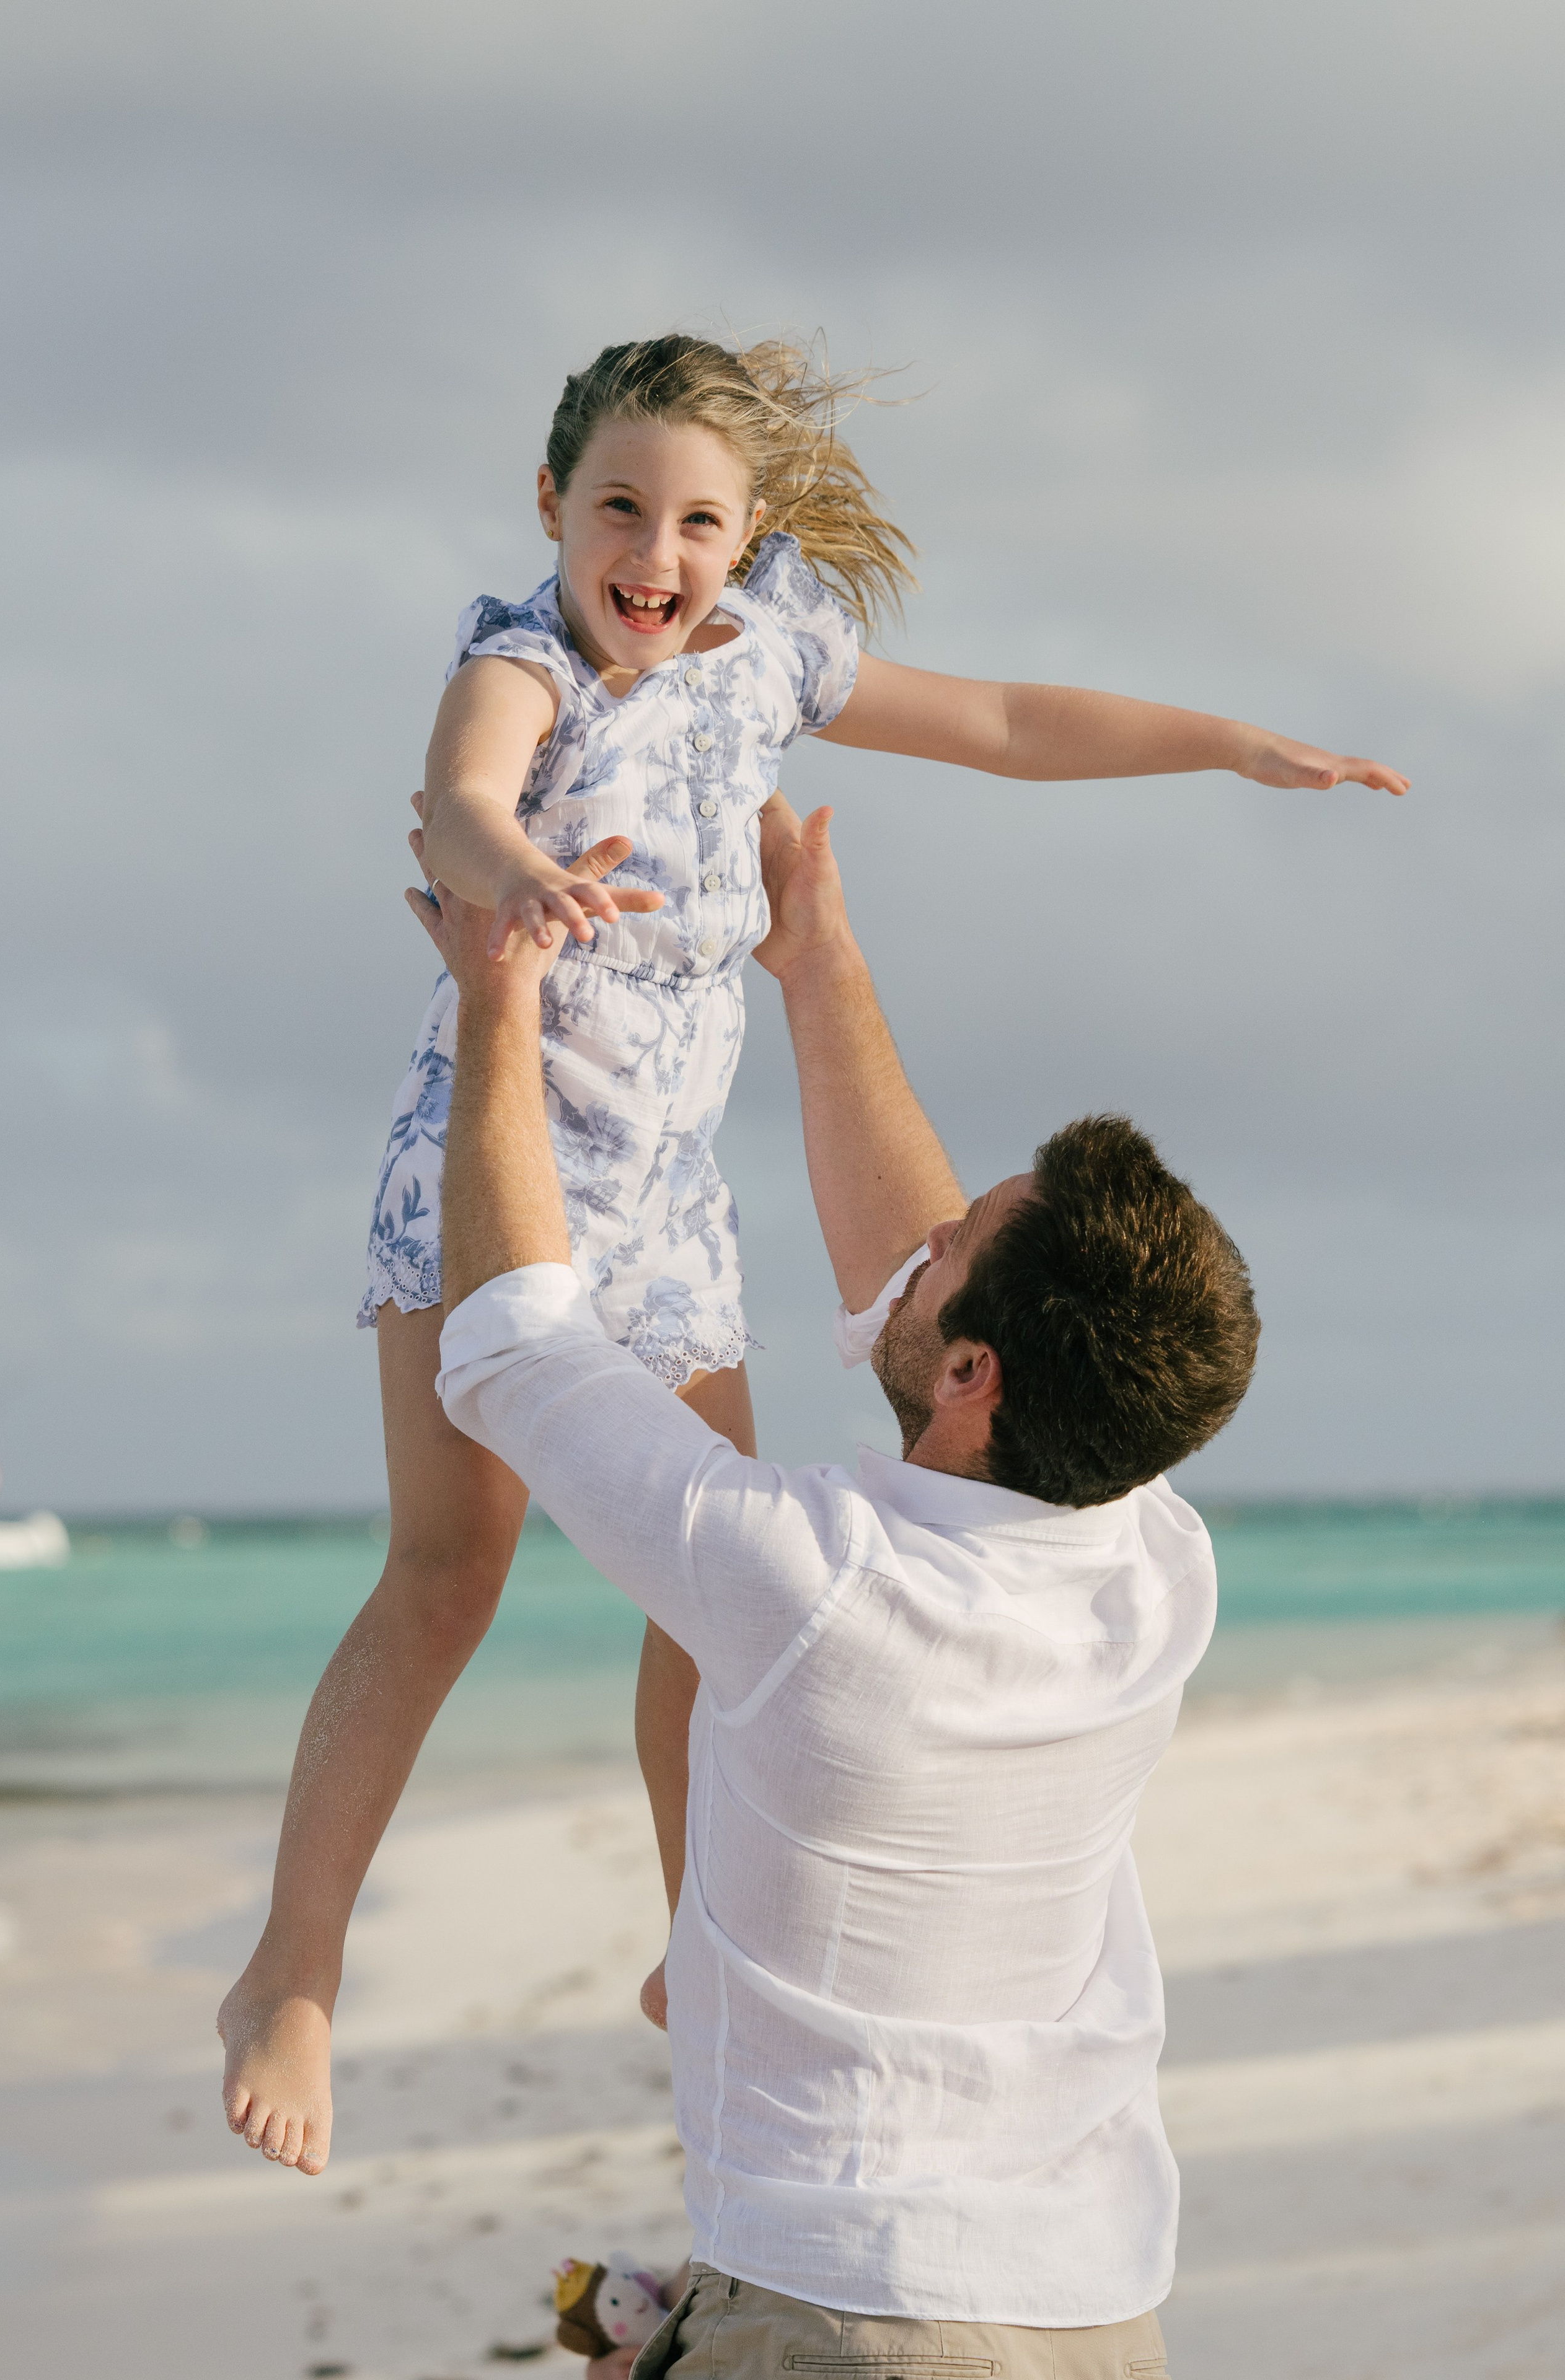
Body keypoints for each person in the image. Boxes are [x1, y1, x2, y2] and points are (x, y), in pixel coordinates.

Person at [220, 329, 1396, 2150]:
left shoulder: (772, 649)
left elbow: (1004, 724)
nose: (656, 555)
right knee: (450, 1573)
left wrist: (1225, 744)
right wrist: (517, 879)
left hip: (673, 1199)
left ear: (747, 531)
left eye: (699, 521)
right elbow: (458, 802)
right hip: (493, 1156)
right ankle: (293, 1973)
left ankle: (696, 1935)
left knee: (708, 1594)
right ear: (550, 504)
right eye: (620, 507)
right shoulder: (524, 665)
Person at [373, 794, 1254, 2373]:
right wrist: (818, 961)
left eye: (958, 1241)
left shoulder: (808, 1586)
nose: (927, 1236)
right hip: (1092, 2317)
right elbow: (908, 1285)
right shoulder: (1145, 1556)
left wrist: (499, 999)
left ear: (973, 1374)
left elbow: (511, 1346)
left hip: (849, 2320)